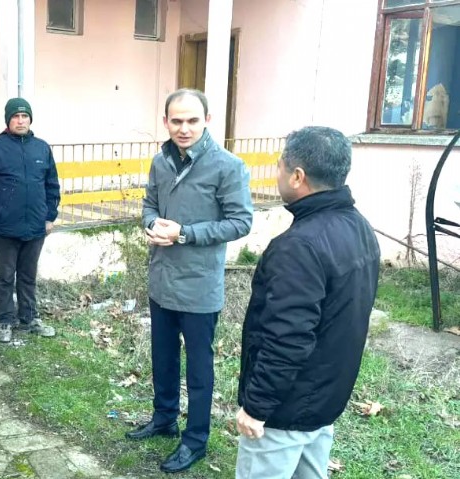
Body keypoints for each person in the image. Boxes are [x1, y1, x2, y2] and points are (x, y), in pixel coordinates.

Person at [235, 127, 380, 479]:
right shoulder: (360, 227)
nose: (278, 172)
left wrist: (256, 408)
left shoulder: (298, 246)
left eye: (281, 166)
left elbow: (287, 338)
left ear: (298, 177)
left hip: (285, 410)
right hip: (325, 399)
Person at [130, 88, 253, 473]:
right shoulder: (160, 162)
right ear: (165, 122)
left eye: (192, 121)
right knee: (162, 359)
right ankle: (164, 418)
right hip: (162, 279)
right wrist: (152, 223)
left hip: (200, 286)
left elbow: (240, 222)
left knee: (199, 370)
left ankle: (195, 440)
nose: (184, 129)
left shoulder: (227, 166)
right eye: (176, 121)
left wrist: (184, 233)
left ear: (207, 121)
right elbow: (149, 204)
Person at [0, 98, 61, 343]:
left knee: (29, 276)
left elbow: (52, 185)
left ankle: (29, 318)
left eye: (25, 116)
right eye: (15, 117)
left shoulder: (42, 148)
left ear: (30, 119)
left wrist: (50, 216)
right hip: (4, 227)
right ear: (8, 120)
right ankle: (4, 321)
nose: (20, 121)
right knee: (6, 276)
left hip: (35, 226)